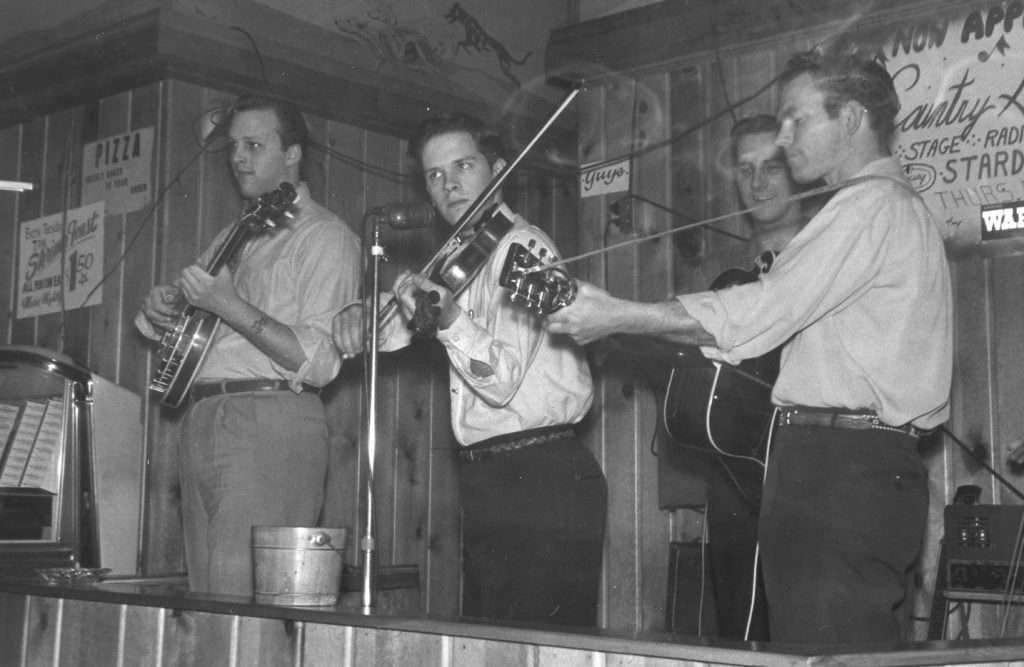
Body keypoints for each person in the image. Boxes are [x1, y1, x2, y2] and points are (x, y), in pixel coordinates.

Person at [548, 50, 953, 646]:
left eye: (797, 118)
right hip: (856, 470)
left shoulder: (867, 208)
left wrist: (617, 314)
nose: (785, 139)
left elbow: (760, 311)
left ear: (852, 118)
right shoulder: (893, 209)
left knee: (823, 654)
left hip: (835, 472)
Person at [333, 112, 606, 627]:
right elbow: (392, 329)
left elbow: (501, 380)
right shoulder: (456, 257)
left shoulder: (523, 247)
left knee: (541, 645)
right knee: (492, 642)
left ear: (499, 170)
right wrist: (361, 312)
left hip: (543, 473)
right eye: (434, 175)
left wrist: (451, 318)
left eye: (463, 165)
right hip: (489, 476)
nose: (448, 183)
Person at [136, 95, 362, 596]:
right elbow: (197, 326)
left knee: (241, 606)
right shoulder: (234, 235)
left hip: (269, 419)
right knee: (209, 598)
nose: (238, 156)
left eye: (254, 144)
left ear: (292, 154)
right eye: (234, 146)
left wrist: (226, 303)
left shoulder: (326, 237)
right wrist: (164, 310)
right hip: (202, 416)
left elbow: (319, 361)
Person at [701, 113, 811, 642]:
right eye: (746, 169)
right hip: (735, 478)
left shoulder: (825, 258)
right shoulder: (734, 274)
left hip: (805, 475)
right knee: (738, 633)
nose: (759, 181)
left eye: (773, 166)